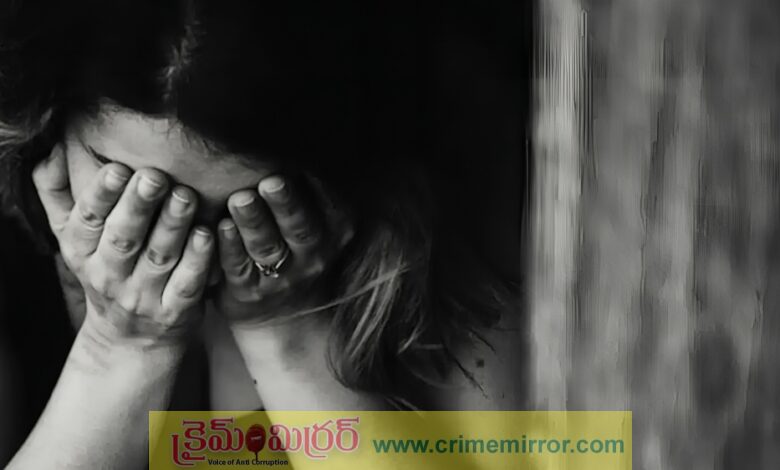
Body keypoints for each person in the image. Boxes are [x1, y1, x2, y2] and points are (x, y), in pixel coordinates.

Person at [0, 0, 526, 467]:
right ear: (49, 123)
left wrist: (288, 338)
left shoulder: (441, 241)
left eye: (248, 208)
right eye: (132, 190)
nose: (186, 247)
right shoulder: (12, 266)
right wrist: (118, 349)